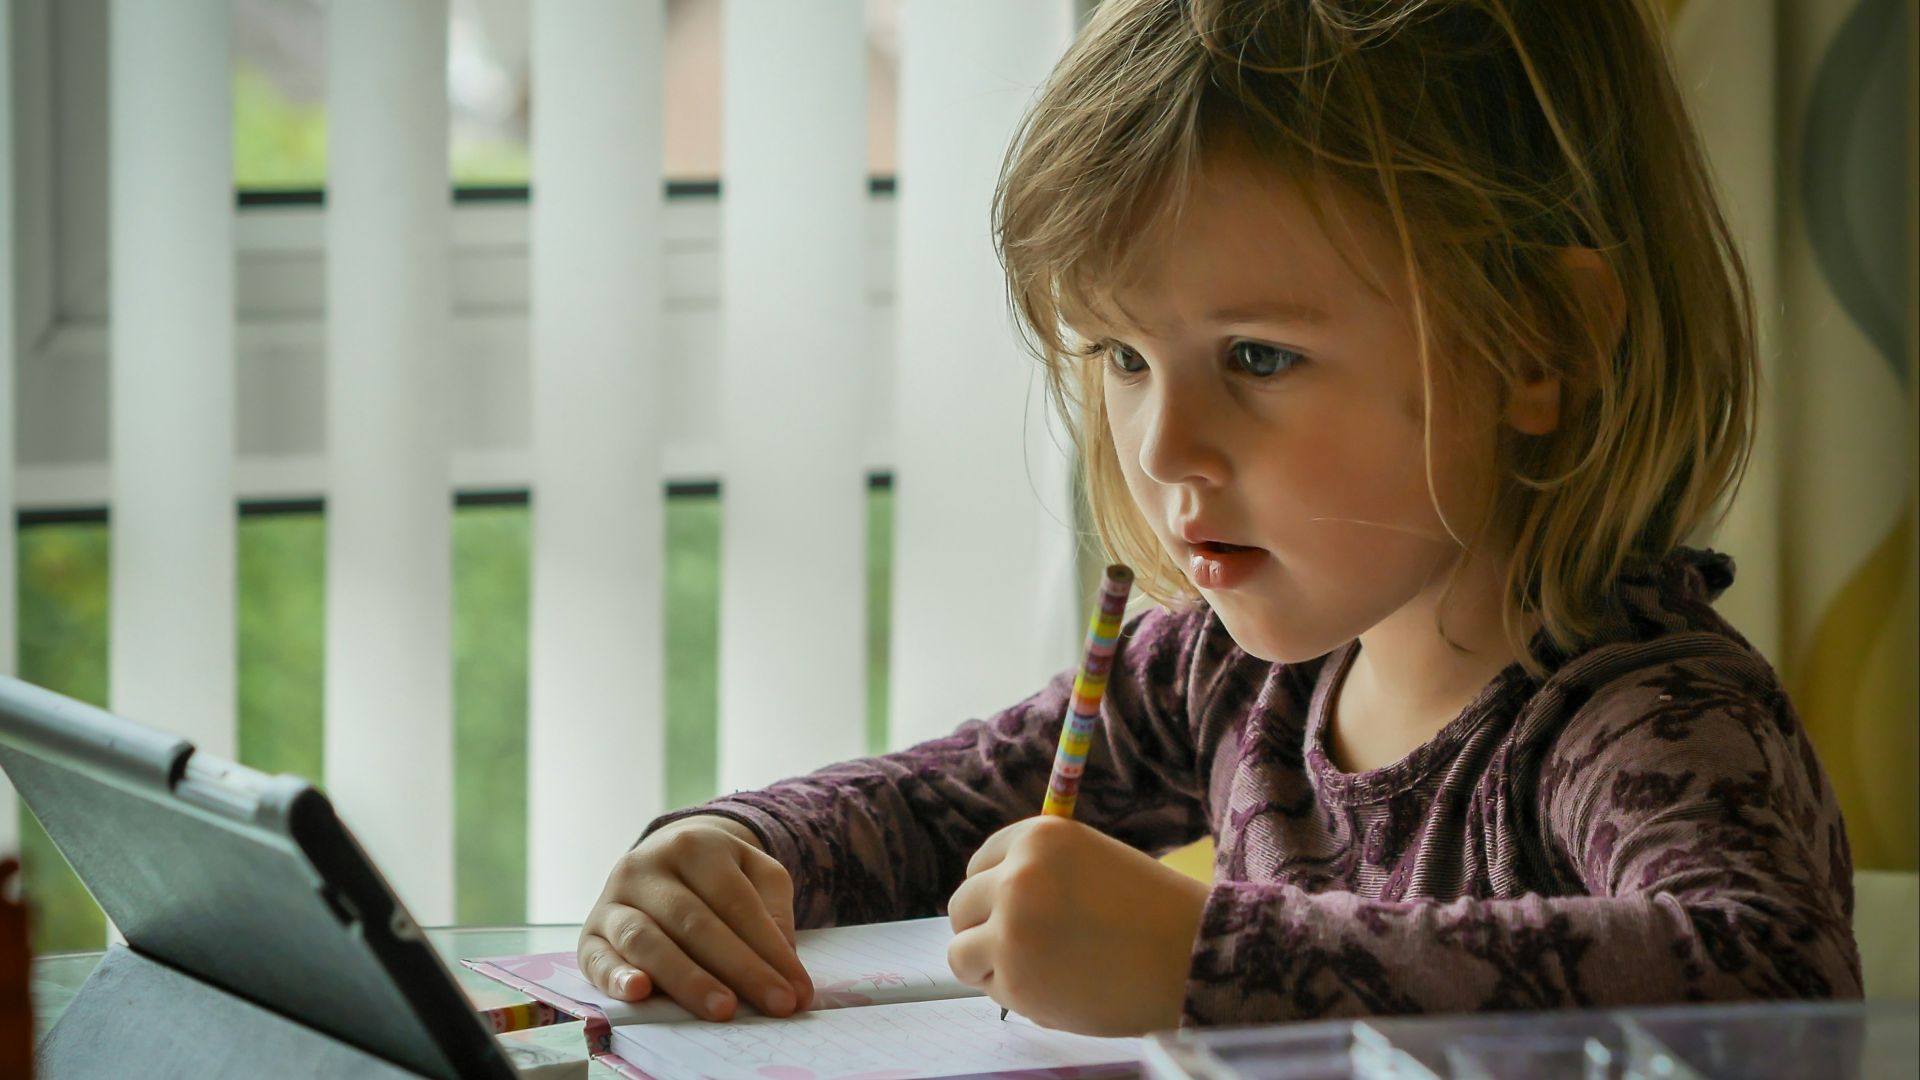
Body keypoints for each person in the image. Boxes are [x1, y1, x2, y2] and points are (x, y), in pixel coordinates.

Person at [576, 0, 1862, 1036]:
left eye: (1256, 357)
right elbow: (933, 810)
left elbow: (1775, 978)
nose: (1160, 446)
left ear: (1540, 345)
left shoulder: (1647, 717)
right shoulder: (1224, 672)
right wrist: (731, 854)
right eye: (1124, 358)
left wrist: (1207, 956)